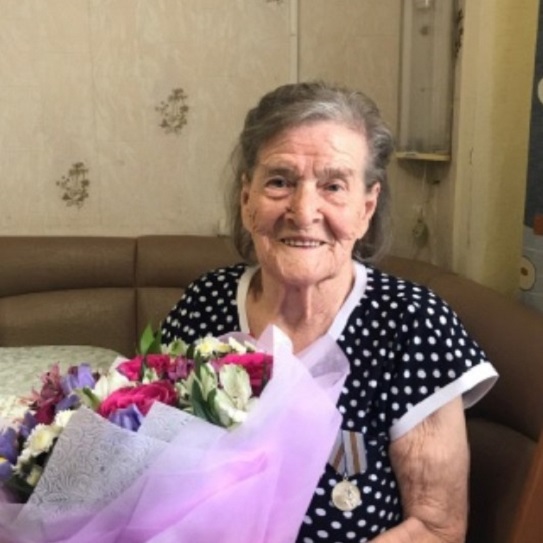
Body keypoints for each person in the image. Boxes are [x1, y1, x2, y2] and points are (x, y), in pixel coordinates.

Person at [160, 81, 498, 542]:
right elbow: (154, 472)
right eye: (280, 181)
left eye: (333, 186)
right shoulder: (204, 303)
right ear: (246, 199)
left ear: (366, 208)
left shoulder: (413, 323)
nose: (303, 212)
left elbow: (436, 529)